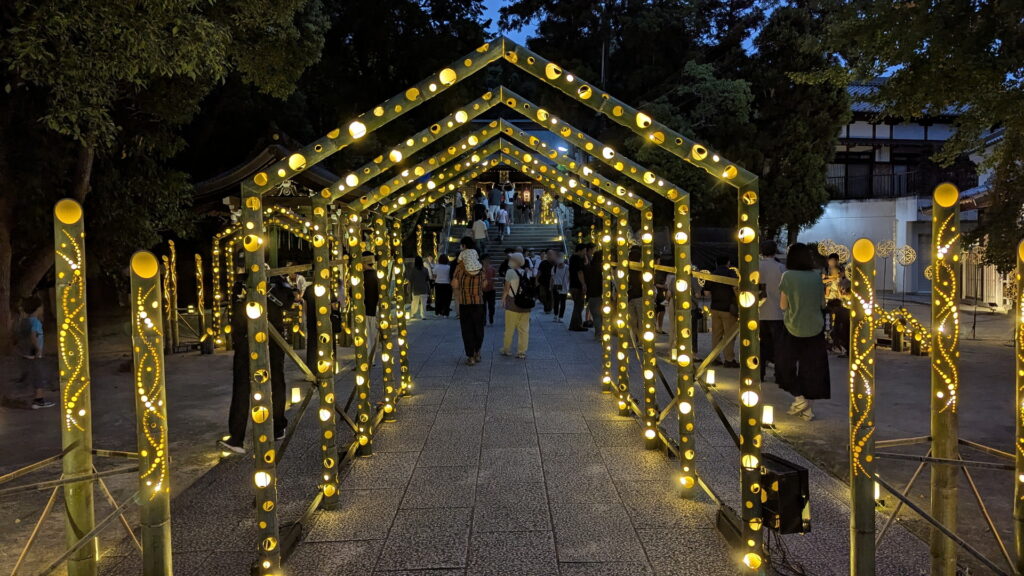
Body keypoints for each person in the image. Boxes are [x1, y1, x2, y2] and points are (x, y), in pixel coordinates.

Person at [219, 273, 292, 454]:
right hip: (246, 341)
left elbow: (289, 301)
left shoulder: (276, 282)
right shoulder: (240, 284)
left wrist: (269, 292)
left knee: (275, 382)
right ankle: (237, 437)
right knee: (243, 387)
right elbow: (235, 313)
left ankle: (277, 426)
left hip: (272, 341)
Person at [778, 243, 831, 421]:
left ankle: (799, 399)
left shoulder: (787, 276)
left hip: (793, 327)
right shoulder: (816, 276)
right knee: (813, 369)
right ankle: (808, 410)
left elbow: (783, 305)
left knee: (785, 367)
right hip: (815, 328)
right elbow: (822, 304)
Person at [13, 297, 55, 409]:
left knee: (35, 375)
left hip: (27, 354)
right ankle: (38, 401)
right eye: (41, 308)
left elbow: (20, 337)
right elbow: (33, 336)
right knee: (39, 376)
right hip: (35, 354)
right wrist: (38, 349)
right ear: (38, 309)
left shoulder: (24, 321)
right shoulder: (36, 322)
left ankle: (37, 399)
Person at [452, 238, 485, 365]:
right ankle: (477, 353)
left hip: (465, 303)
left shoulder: (459, 268)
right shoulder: (481, 268)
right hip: (478, 303)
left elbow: (454, 285)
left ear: (464, 247)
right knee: (479, 329)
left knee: (467, 330)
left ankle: (470, 357)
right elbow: (484, 285)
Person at [703, 258, 739, 368]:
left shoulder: (712, 275)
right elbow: (736, 288)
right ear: (728, 263)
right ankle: (729, 359)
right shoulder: (731, 273)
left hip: (715, 308)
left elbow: (707, 293)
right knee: (729, 335)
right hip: (728, 308)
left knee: (716, 334)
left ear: (716, 263)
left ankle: (715, 358)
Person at [758, 240, 786, 381]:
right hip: (777, 312)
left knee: (760, 345)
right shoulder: (781, 268)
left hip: (759, 312)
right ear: (775, 251)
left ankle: (760, 373)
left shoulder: (756, 267)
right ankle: (779, 375)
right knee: (778, 347)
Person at [502, 252, 533, 358]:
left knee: (509, 328)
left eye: (511, 259)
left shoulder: (510, 272)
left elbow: (506, 288)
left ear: (515, 261)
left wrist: (503, 300)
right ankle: (521, 352)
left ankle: (506, 349)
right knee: (524, 329)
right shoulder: (526, 272)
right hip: (526, 305)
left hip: (513, 303)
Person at [823, 253, 845, 353]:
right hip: (830, 298)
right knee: (828, 321)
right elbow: (825, 282)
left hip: (838, 299)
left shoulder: (841, 270)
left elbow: (840, 279)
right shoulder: (827, 269)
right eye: (830, 261)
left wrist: (830, 277)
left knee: (837, 321)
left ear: (836, 261)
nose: (831, 262)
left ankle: (836, 342)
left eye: (833, 261)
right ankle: (830, 341)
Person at [362, 251, 381, 366]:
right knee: (373, 337)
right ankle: (371, 359)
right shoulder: (378, 275)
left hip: (364, 310)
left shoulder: (361, 277)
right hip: (375, 309)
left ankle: (365, 360)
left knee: (365, 337)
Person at [568, 243, 588, 331]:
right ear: (579, 250)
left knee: (578, 306)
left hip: (573, 285)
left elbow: (585, 264)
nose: (585, 253)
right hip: (577, 286)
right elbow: (580, 272)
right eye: (584, 251)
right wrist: (583, 284)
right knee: (579, 306)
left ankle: (575, 324)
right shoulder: (577, 259)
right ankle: (576, 325)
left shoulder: (573, 258)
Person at [584, 248, 604, 340]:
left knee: (596, 315)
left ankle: (598, 334)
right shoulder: (603, 269)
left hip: (592, 294)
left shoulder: (590, 268)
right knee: (601, 315)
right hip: (602, 294)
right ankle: (602, 333)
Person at [626, 246, 643, 341]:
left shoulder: (627, 267)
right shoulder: (642, 268)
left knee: (632, 320)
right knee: (641, 319)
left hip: (629, 296)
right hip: (640, 295)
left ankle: (633, 339)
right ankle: (640, 340)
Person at [407, 256, 430, 320]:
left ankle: (413, 313)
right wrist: (429, 288)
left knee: (414, 302)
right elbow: (427, 280)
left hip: (416, 288)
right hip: (424, 288)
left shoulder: (413, 270)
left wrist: (409, 289)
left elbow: (410, 280)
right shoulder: (425, 269)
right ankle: (423, 315)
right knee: (423, 303)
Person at [550, 252, 569, 322]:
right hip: (556, 286)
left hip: (564, 287)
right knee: (556, 302)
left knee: (563, 302)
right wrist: (550, 286)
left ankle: (561, 316)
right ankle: (555, 315)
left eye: (561, 257)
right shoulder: (554, 267)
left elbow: (570, 277)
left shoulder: (567, 268)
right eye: (559, 257)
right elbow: (552, 278)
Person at [537, 249, 555, 314]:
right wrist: (536, 280)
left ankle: (549, 309)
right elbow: (539, 272)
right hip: (543, 282)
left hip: (552, 282)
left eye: (551, 254)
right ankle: (547, 306)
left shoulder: (555, 263)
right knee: (542, 295)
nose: (550, 255)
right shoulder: (543, 263)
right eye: (549, 254)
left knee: (551, 296)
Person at [481, 254, 497, 325]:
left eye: (489, 260)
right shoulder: (479, 269)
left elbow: (494, 277)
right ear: (483, 261)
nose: (488, 261)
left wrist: (493, 281)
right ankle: (483, 319)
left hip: (491, 290)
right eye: (486, 260)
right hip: (482, 290)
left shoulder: (492, 269)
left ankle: (491, 317)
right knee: (482, 306)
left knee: (492, 306)